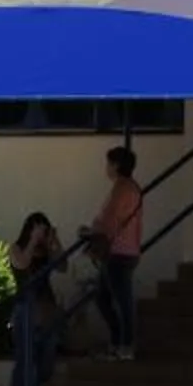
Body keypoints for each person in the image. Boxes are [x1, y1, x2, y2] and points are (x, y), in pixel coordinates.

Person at [81, 144, 143, 360]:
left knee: (118, 299)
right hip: (127, 250)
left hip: (118, 253)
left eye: (108, 163)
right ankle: (119, 342)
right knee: (104, 297)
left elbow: (109, 219)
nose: (106, 168)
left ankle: (124, 344)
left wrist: (90, 231)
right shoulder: (133, 188)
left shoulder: (122, 188)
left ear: (116, 165)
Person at [7, 211, 66, 386]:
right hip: (26, 308)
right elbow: (22, 264)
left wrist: (55, 242)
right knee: (25, 358)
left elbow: (63, 266)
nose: (41, 234)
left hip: (46, 308)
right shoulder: (16, 248)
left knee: (46, 358)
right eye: (38, 229)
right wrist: (33, 241)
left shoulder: (47, 250)